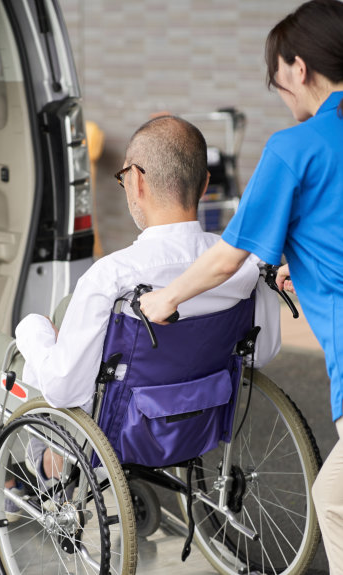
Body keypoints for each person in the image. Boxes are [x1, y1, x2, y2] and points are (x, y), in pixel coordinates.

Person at [0, 115, 281, 512]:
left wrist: (33, 332)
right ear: (203, 185)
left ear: (136, 181)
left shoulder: (114, 275)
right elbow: (259, 354)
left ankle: (7, 478)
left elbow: (63, 390)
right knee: (69, 307)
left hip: (105, 428)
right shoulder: (244, 267)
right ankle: (48, 462)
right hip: (195, 418)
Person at [139, 1, 343, 572]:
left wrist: (166, 298)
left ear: (298, 69)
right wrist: (303, 266)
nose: (282, 96)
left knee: (335, 500)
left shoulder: (294, 148)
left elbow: (228, 258)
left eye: (277, 82)